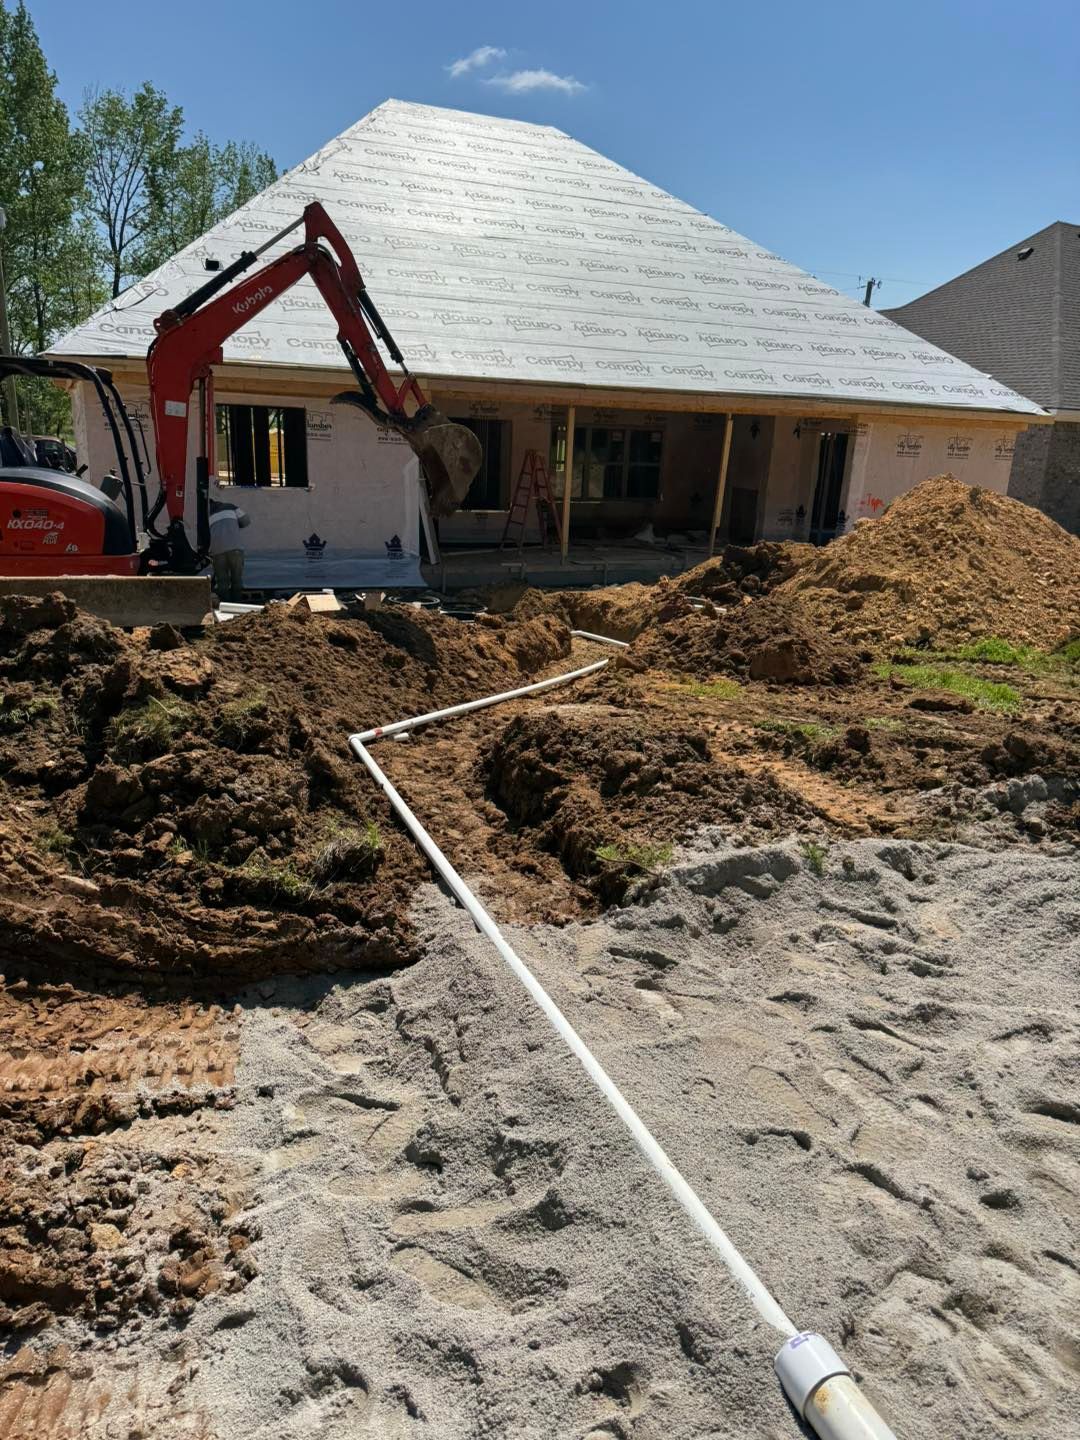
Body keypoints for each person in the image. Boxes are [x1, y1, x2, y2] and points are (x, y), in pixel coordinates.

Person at [208, 497, 251, 602]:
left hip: (217, 551)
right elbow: (246, 521)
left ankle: (225, 605)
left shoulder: (205, 515)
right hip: (235, 548)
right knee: (236, 578)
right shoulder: (230, 507)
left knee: (222, 581)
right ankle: (237, 604)